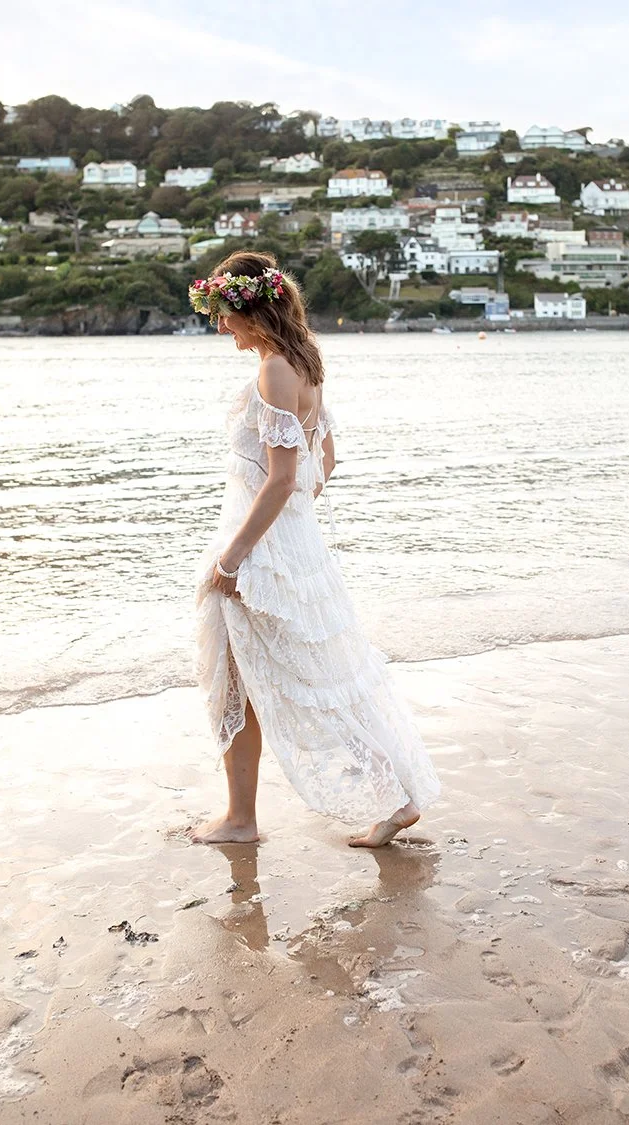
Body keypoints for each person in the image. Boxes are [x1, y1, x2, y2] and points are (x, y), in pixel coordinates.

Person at [186, 251, 441, 848]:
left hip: (261, 551)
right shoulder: (306, 363)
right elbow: (323, 464)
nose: (220, 326)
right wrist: (293, 514)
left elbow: (281, 477)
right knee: (281, 680)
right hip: (290, 545)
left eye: (224, 313)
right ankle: (247, 815)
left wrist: (234, 559)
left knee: (267, 682)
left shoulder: (275, 369)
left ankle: (252, 819)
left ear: (253, 308)